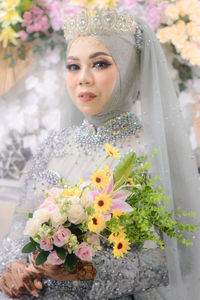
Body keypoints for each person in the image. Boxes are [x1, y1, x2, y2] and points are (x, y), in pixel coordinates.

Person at [0, 7, 200, 300]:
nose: (83, 78)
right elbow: (19, 228)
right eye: (73, 66)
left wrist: (85, 269)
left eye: (100, 64)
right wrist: (13, 267)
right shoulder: (56, 144)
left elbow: (177, 258)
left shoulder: (151, 152)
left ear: (131, 68)